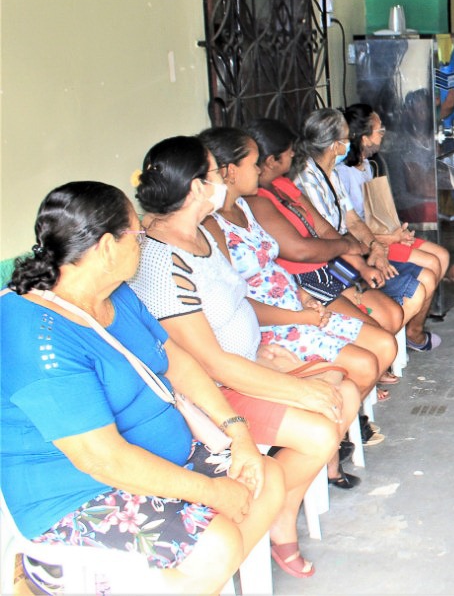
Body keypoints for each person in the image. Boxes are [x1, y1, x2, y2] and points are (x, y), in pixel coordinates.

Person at [1, 181, 284, 593]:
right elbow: (104, 462)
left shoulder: (118, 294)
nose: (144, 241)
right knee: (215, 544)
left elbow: (178, 362)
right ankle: (55, 577)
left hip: (156, 458)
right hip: (76, 494)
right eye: (137, 234)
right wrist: (213, 493)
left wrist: (237, 432)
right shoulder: (36, 336)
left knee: (265, 476)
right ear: (107, 247)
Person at [130, 136, 366, 580]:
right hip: (212, 392)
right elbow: (210, 363)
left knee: (346, 392)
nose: (224, 179)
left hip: (249, 361)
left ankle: (284, 506)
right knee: (320, 427)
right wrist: (295, 386)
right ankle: (278, 517)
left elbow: (237, 302)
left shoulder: (201, 233)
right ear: (197, 187)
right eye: (215, 173)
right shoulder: (162, 262)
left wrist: (261, 348)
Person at [242, 117, 408, 340]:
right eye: (289, 151)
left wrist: (361, 264)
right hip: (303, 278)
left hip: (328, 265)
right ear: (272, 160)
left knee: (392, 314)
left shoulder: (283, 185)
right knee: (378, 333)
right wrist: (348, 245)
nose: (293, 155)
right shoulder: (259, 200)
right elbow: (301, 250)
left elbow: (323, 228)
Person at [293, 109, 442, 351]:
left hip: (353, 251)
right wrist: (366, 259)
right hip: (334, 263)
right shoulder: (307, 180)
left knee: (426, 274)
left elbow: (352, 220)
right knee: (415, 287)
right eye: (345, 137)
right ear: (334, 145)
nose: (349, 142)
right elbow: (329, 238)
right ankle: (379, 349)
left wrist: (376, 247)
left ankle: (391, 345)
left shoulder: (330, 174)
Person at [340, 104, 452, 300]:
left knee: (442, 256)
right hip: (368, 241)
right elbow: (348, 229)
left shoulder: (367, 164)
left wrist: (398, 231)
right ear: (364, 138)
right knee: (431, 263)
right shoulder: (342, 173)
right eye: (379, 130)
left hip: (382, 234)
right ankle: (414, 327)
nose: (383, 134)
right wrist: (390, 238)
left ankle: (415, 324)